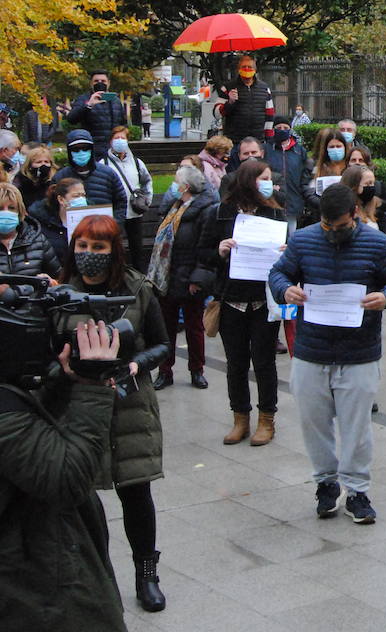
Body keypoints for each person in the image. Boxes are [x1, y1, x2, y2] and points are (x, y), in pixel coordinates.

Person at [270, 184, 386, 524]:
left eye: (342, 226)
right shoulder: (304, 240)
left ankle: (358, 490)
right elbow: (278, 272)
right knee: (313, 423)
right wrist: (285, 289)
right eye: (327, 226)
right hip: (311, 350)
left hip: (359, 352)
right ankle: (326, 483)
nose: (334, 232)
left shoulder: (376, 243)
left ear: (355, 215)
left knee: (356, 426)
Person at [58, 214, 171, 610]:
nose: (89, 255)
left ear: (114, 251)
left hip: (129, 404)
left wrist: (138, 363)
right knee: (84, 499)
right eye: (83, 246)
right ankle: (97, 576)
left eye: (98, 247)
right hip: (79, 406)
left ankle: (146, 574)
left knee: (136, 492)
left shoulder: (137, 288)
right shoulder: (61, 293)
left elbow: (161, 344)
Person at [0, 316, 129, 631]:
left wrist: (65, 382)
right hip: (36, 593)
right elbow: (67, 477)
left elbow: (35, 430)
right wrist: (93, 388)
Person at [194, 160, 286, 445]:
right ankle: (240, 418)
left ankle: (266, 419)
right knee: (235, 363)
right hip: (230, 299)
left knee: (264, 362)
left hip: (263, 300)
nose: (270, 183)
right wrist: (219, 251)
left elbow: (288, 252)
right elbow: (202, 253)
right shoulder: (219, 213)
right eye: (264, 178)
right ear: (249, 181)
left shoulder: (273, 211)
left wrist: (284, 251)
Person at [149, 165, 218, 391]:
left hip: (189, 279)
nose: (173, 186)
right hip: (167, 277)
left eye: (176, 182)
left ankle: (197, 370)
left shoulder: (205, 211)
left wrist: (196, 279)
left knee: (194, 327)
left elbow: (205, 246)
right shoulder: (173, 207)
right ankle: (165, 370)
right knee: (165, 328)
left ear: (185, 187)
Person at [99, 126, 153, 269]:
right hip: (114, 214)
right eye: (117, 138)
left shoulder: (136, 162)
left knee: (137, 248)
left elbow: (147, 181)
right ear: (110, 141)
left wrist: (147, 199)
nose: (120, 141)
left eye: (123, 138)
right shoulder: (103, 164)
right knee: (116, 247)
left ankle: (139, 276)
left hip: (134, 212)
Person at [54, 129, 127, 225]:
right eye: (76, 149)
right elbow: (52, 206)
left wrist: (114, 225)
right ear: (69, 151)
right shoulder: (60, 177)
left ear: (91, 150)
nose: (81, 152)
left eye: (85, 148)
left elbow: (121, 202)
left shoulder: (108, 174)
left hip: (105, 232)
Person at [0, 182, 60, 290]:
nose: (6, 213)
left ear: (20, 211)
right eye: (0, 208)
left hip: (33, 305)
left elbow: (60, 279)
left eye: (11, 208)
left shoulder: (38, 240)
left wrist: (51, 283)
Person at [218, 55, 276, 148]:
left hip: (258, 142)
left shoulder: (264, 88)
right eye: (244, 67)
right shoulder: (227, 88)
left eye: (250, 67)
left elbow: (270, 115)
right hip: (235, 142)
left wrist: (268, 140)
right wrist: (230, 103)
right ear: (238, 69)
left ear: (255, 69)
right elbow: (216, 113)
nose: (247, 69)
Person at [67, 70, 127, 157]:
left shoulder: (115, 101)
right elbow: (71, 119)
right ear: (91, 83)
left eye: (103, 81)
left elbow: (123, 123)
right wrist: (88, 105)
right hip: (93, 149)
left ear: (108, 83)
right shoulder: (84, 99)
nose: (100, 83)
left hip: (114, 148)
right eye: (96, 81)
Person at [27, 176, 86, 260]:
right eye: (76, 196)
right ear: (61, 199)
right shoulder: (42, 222)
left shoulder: (89, 219)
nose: (81, 199)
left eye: (83, 195)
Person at [340, 163, 386, 234]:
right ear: (354, 186)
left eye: (372, 183)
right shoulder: (346, 216)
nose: (371, 187)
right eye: (367, 184)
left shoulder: (377, 209)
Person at [14, 144, 55, 209]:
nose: (43, 164)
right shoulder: (21, 181)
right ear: (30, 164)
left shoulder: (55, 180)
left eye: (46, 162)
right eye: (39, 162)